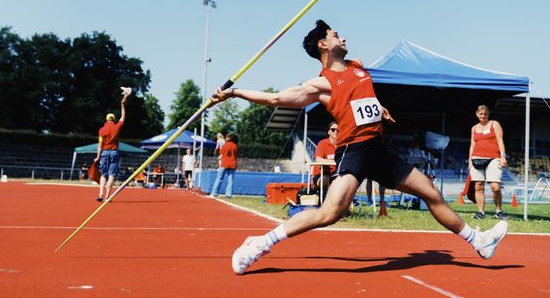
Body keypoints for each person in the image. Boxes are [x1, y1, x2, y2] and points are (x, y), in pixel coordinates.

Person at [211, 20, 508, 275]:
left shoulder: (358, 67)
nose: (344, 38)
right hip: (353, 151)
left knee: (430, 191)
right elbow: (277, 99)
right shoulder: (322, 83)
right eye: (336, 34)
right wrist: (235, 92)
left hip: (377, 150)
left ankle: (478, 241)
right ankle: (260, 243)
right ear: (323, 46)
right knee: (330, 213)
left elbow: (364, 97)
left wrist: (380, 107)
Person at [468, 105, 508, 220]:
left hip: (494, 158)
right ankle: (481, 212)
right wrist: (470, 162)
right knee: (478, 187)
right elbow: (472, 145)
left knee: (495, 187)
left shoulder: (494, 124)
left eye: (485, 114)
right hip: (476, 159)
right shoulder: (474, 128)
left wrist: (503, 156)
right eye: (481, 114)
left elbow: (500, 141)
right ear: (477, 114)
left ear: (488, 114)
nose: (483, 116)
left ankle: (499, 211)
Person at [94, 87, 130, 202]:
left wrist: (98, 156)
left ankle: (100, 194)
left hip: (104, 152)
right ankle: (107, 196)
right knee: (112, 175)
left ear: (106, 119)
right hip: (114, 152)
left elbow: (99, 145)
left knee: (103, 175)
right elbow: (123, 117)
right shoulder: (116, 127)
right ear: (113, 119)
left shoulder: (101, 130)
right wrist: (122, 105)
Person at [311, 122, 338, 194]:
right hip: (321, 175)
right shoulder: (322, 143)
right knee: (328, 180)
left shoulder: (343, 145)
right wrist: (335, 162)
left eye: (338, 130)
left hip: (336, 174)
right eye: (333, 129)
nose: (336, 131)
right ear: (329, 132)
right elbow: (318, 159)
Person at [210, 133, 238, 198]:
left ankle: (214, 193)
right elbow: (236, 155)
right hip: (232, 163)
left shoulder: (225, 145)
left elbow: (221, 153)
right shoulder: (235, 146)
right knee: (230, 180)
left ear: (229, 138)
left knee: (219, 178)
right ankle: (228, 195)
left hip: (225, 163)